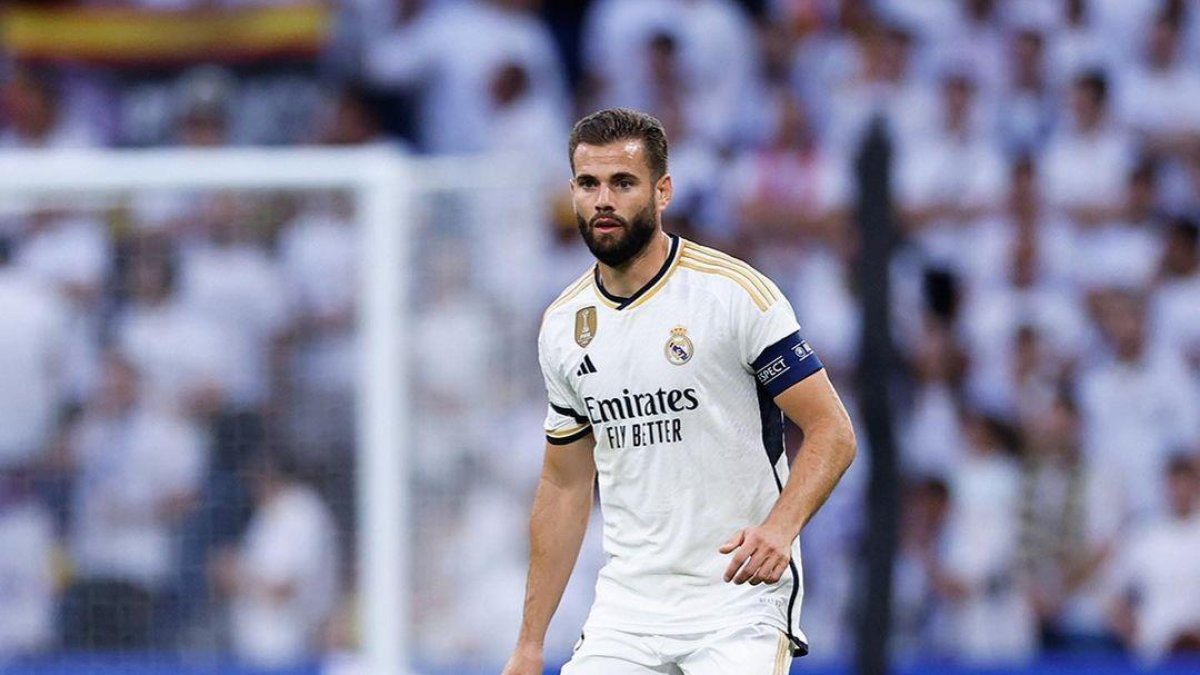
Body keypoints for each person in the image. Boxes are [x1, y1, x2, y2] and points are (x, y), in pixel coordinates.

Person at [501, 108, 857, 675]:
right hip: (628, 610)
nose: (603, 201)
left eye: (623, 183)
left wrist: (780, 528)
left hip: (736, 602)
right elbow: (565, 484)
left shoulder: (733, 294)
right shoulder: (564, 325)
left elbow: (832, 430)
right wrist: (529, 643)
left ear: (662, 191)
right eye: (589, 184)